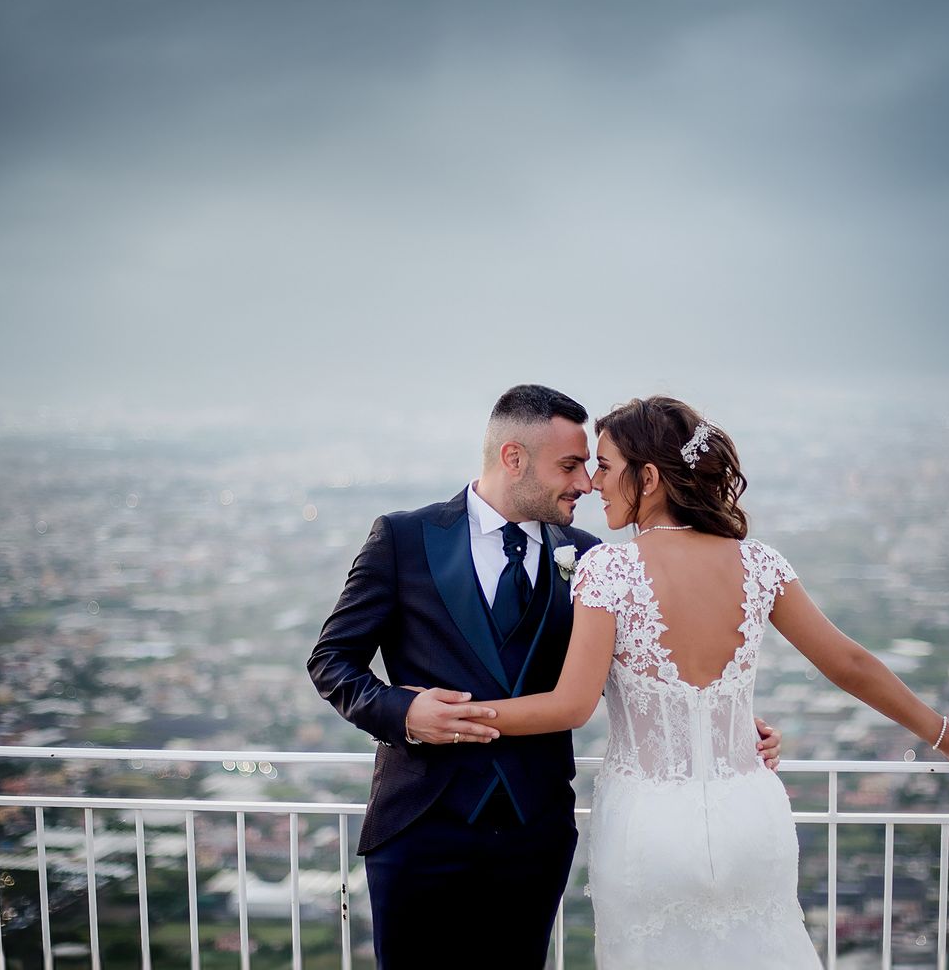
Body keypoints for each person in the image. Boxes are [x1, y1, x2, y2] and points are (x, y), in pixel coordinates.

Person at [478, 396, 949, 967]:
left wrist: (457, 716)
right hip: (752, 819)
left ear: (650, 478)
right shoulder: (760, 564)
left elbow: (571, 705)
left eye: (605, 467)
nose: (592, 484)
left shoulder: (609, 569)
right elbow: (850, 665)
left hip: (649, 830)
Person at [306, 385, 782, 968]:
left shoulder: (591, 558)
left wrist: (722, 723)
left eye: (590, 465)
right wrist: (403, 714)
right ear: (513, 458)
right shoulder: (404, 539)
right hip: (419, 825)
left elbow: (640, 669)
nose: (586, 482)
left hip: (535, 832)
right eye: (570, 465)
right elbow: (332, 661)